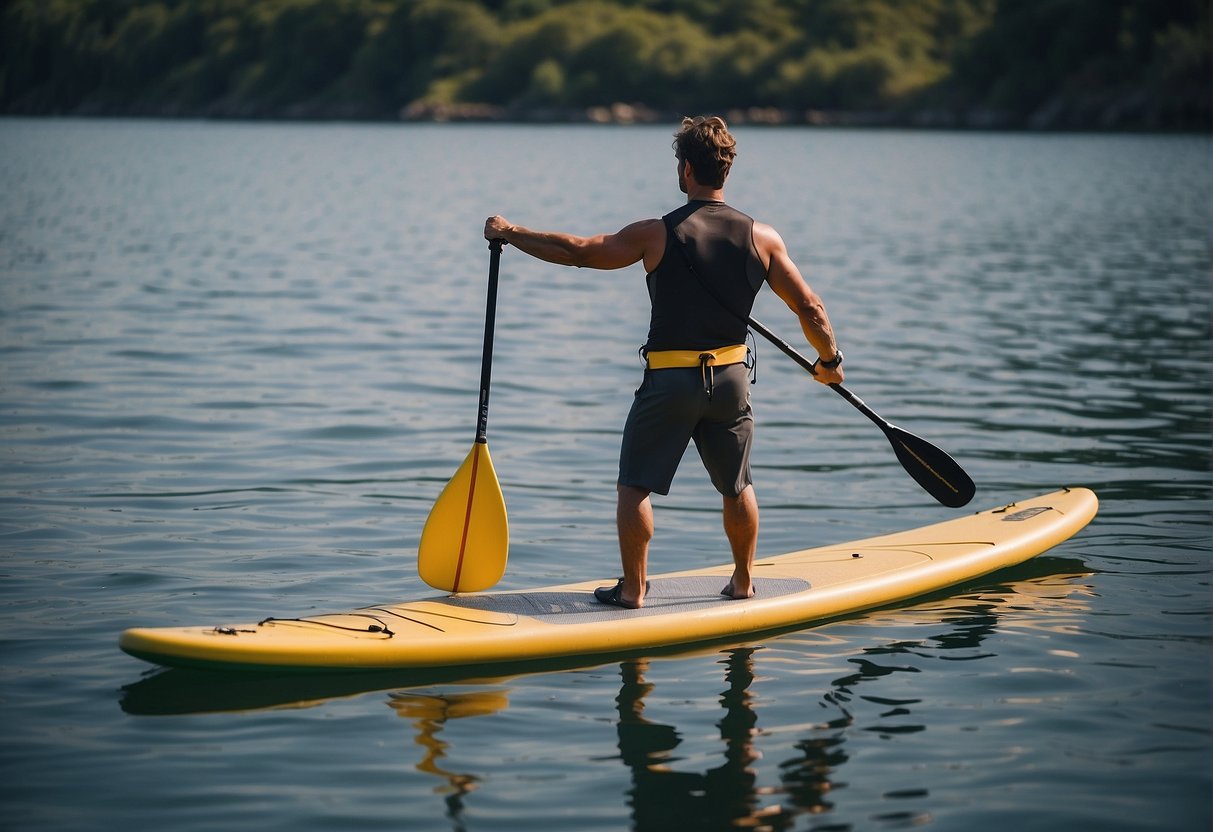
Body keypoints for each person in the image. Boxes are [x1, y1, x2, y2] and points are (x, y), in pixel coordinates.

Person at [483, 115, 843, 610]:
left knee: (635, 484)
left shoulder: (657, 233)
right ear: (726, 171)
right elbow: (811, 308)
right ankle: (742, 582)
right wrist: (830, 361)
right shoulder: (764, 237)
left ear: (687, 168)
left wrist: (511, 231)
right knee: (738, 484)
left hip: (671, 380)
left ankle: (633, 591)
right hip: (732, 380)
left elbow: (581, 252)